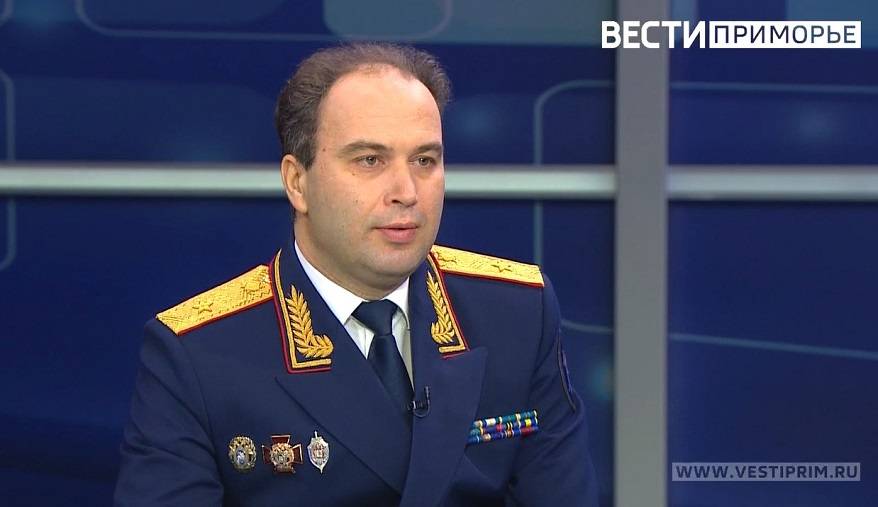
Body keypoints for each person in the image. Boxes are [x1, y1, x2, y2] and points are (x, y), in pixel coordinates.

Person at [115, 42, 598, 506]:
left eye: (424, 160)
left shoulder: (518, 312)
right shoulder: (196, 355)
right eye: (370, 160)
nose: (406, 191)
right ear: (297, 182)